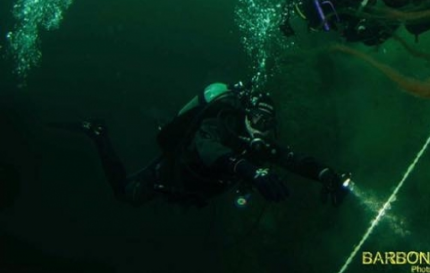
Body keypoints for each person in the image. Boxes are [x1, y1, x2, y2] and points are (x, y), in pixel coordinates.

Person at [60, 82, 350, 208]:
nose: (261, 128)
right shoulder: (221, 122)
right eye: (257, 118)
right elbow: (207, 147)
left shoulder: (259, 145)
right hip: (172, 174)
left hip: (196, 190)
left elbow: (292, 158)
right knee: (127, 195)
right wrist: (249, 171)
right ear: (246, 114)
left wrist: (324, 173)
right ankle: (98, 133)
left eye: (268, 123)